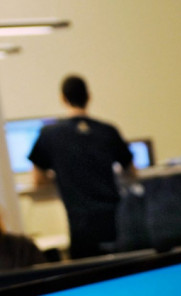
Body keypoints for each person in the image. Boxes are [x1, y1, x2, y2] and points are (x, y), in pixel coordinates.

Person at [29, 74, 135, 259]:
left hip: (80, 225)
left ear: (62, 98)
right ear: (89, 97)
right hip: (115, 220)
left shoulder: (50, 133)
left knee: (87, 276)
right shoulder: (108, 130)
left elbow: (38, 179)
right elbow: (131, 170)